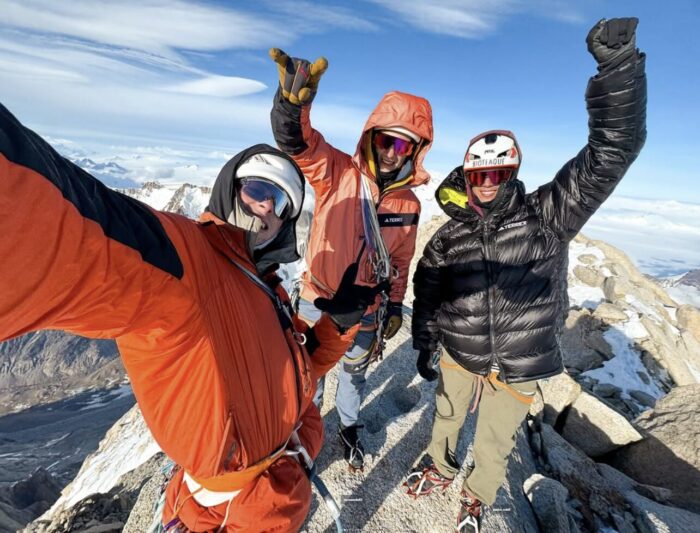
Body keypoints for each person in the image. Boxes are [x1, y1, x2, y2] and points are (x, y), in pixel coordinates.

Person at [0, 106, 387, 532]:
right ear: (228, 188)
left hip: (278, 489)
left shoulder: (268, 289)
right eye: (257, 189)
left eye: (279, 203)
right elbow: (73, 235)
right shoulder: (187, 261)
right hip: (226, 511)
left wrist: (339, 326)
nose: (266, 208)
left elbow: (297, 370)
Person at [406, 17, 646, 533]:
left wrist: (618, 68)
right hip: (458, 353)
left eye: (497, 174)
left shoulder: (549, 214)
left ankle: (477, 495)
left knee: (494, 439)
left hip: (518, 365)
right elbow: (426, 289)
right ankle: (440, 465)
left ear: (511, 174)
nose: (487, 184)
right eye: (478, 175)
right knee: (446, 418)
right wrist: (424, 341)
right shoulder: (449, 237)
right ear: (466, 178)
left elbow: (611, 152)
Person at [269, 48, 434, 470]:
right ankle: (300, 433)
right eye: (386, 139)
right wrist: (293, 108)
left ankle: (347, 426)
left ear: (415, 151)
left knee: (354, 375)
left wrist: (394, 305)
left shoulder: (410, 205)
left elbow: (400, 261)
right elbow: (299, 145)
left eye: (404, 144)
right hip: (316, 300)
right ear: (371, 136)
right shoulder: (338, 171)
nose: (394, 151)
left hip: (366, 311)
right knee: (309, 374)